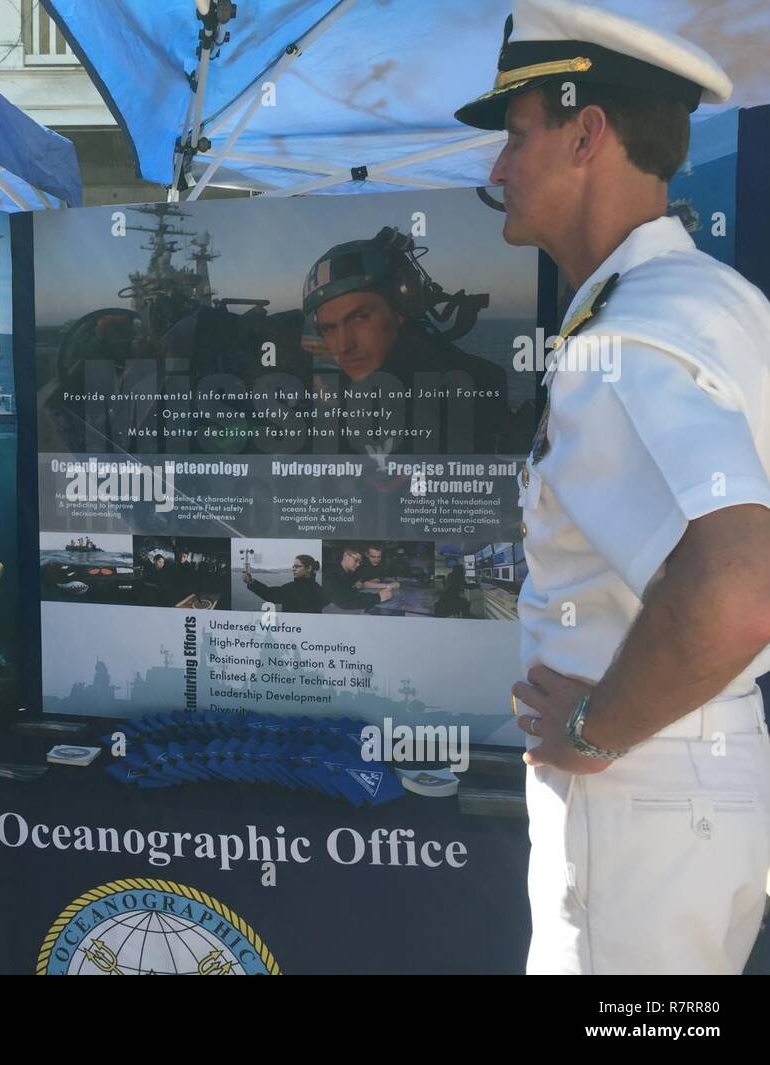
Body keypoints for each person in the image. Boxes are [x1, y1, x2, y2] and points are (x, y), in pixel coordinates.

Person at [456, 0, 770, 974]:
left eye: (514, 139)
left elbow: (738, 586)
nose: (494, 171)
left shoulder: (625, 340)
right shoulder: (718, 303)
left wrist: (594, 735)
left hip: (642, 788)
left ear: (585, 132)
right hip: (693, 778)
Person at [303, 229, 510, 455]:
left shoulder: (468, 396)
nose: (343, 346)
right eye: (329, 328)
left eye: (360, 317)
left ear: (402, 306)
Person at [241, 554, 329, 614]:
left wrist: (250, 582)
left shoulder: (290, 589)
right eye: (293, 566)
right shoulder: (319, 589)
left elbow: (268, 593)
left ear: (309, 568)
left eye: (297, 566)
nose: (293, 569)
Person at [325, 549, 394, 611]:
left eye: (359, 562)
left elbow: (356, 588)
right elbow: (345, 601)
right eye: (356, 560)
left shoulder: (348, 573)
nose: (358, 564)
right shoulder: (332, 574)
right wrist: (378, 597)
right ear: (345, 555)